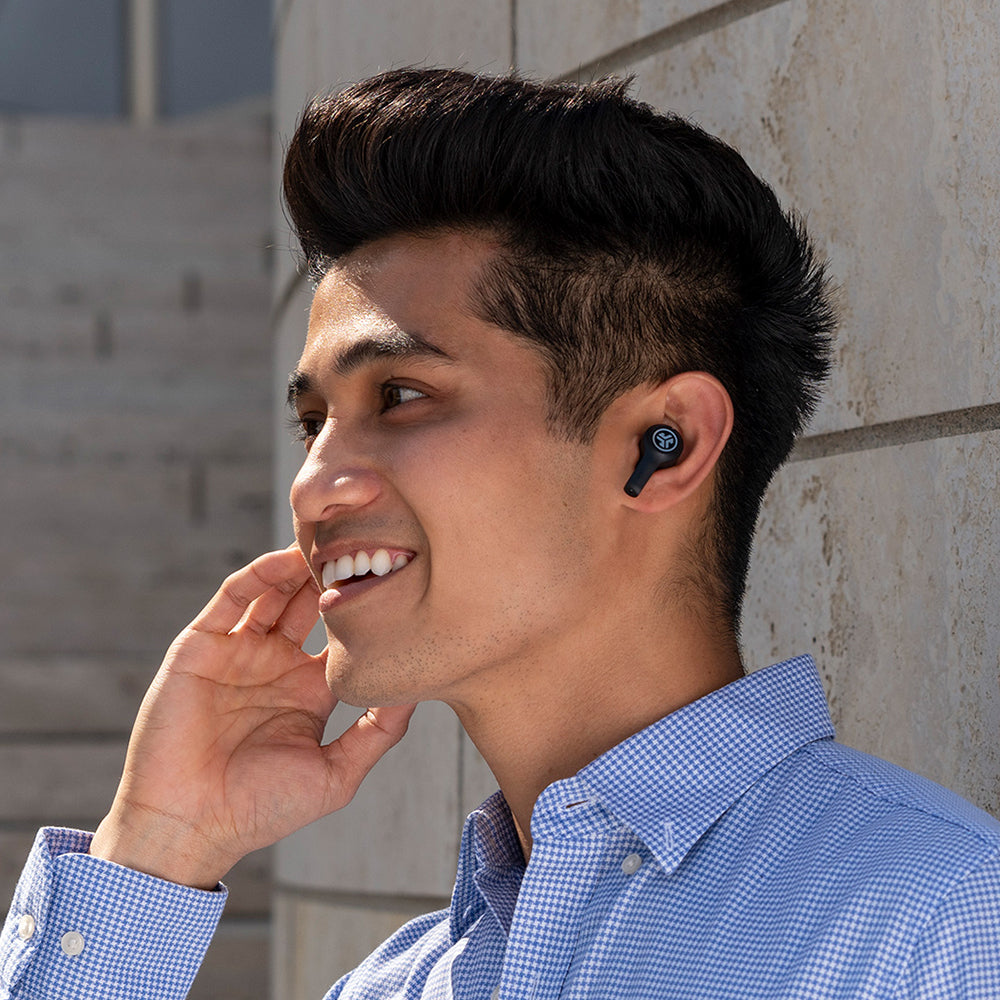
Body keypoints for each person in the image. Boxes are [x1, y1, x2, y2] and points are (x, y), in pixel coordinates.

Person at [2, 67, 999, 1000]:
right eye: (314, 423)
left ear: (665, 442)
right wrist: (158, 850)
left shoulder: (934, 921)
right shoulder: (399, 984)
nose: (313, 485)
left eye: (399, 395)